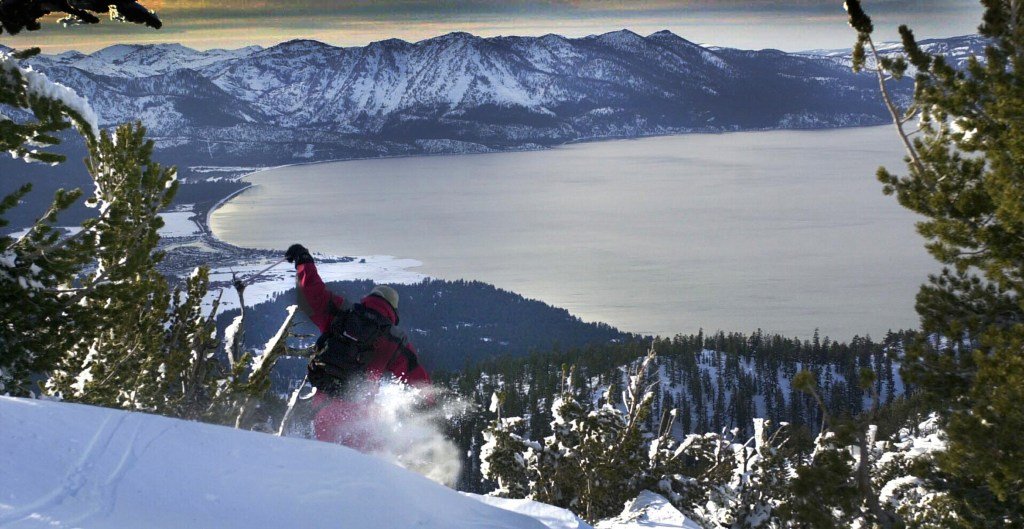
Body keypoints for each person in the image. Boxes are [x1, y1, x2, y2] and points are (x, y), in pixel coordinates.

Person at [285, 243, 430, 447]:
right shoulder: (393, 339)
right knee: (363, 459)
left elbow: (313, 293)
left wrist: (304, 261)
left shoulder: (342, 313)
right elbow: (415, 374)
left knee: (326, 455)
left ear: (370, 299)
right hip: (359, 411)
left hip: (325, 402)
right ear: (392, 310)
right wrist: (432, 402)